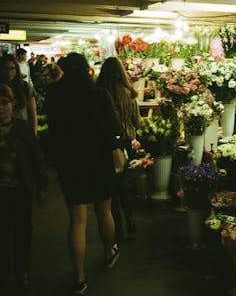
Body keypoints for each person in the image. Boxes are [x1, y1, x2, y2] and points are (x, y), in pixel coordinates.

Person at [45, 53, 122, 296]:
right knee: (104, 211)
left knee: (77, 220)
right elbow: (113, 128)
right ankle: (109, 252)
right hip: (99, 161)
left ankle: (79, 277)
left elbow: (52, 133)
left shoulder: (55, 96)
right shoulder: (99, 94)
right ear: (87, 70)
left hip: (71, 164)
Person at [0, 83, 47, 293]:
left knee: (22, 232)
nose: (1, 108)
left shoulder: (21, 128)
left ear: (12, 104)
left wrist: (41, 185)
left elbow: (36, 158)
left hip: (20, 189)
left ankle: (21, 271)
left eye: (4, 103)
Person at [96, 57, 140, 241]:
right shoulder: (128, 93)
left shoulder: (99, 93)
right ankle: (130, 219)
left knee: (111, 188)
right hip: (126, 142)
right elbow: (136, 122)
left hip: (107, 144)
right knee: (124, 185)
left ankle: (117, 228)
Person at [0, 54, 38, 135]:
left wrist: (34, 133)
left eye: (12, 68)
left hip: (22, 132)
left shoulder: (25, 87)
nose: (9, 72)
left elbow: (32, 112)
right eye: (5, 69)